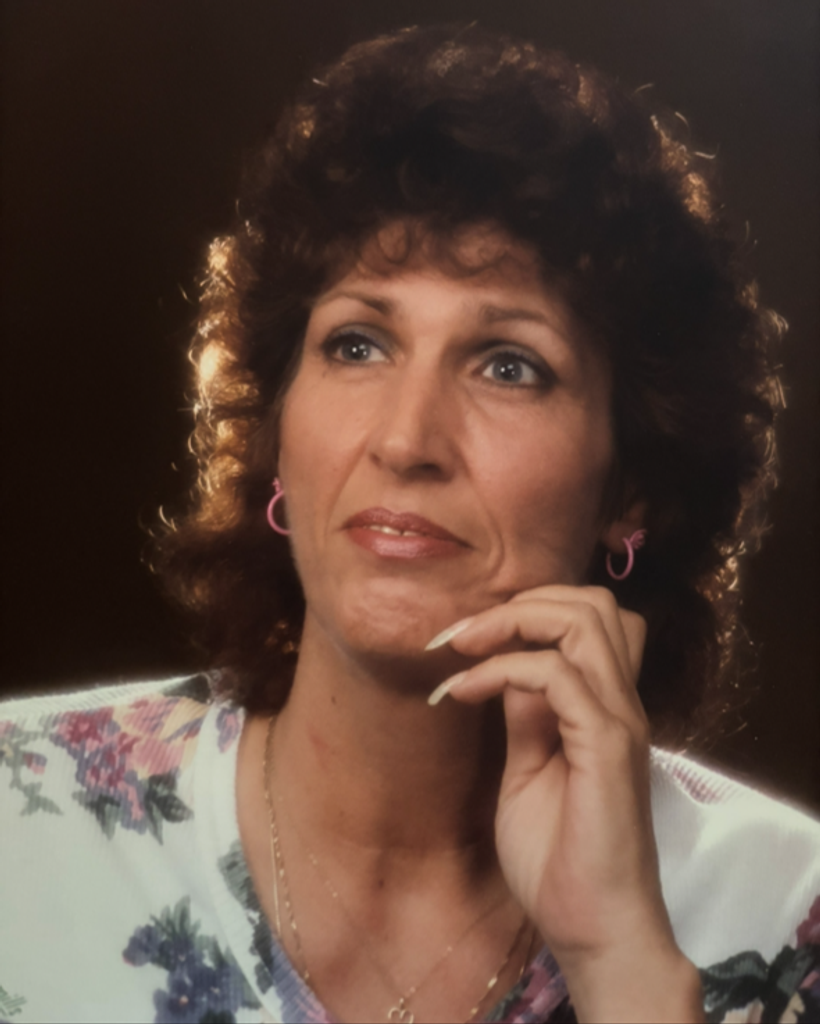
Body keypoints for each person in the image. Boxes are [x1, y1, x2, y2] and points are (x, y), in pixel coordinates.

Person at [1, 23, 818, 1024]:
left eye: (508, 366)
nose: (405, 439)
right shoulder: (19, 822)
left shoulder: (786, 915)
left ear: (632, 490)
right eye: (357, 345)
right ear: (275, 432)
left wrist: (619, 958)